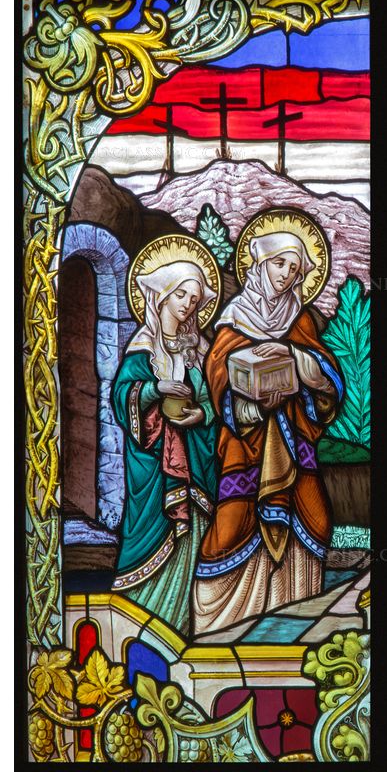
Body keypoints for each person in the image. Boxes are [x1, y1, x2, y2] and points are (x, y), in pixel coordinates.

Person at [193, 229, 344, 635]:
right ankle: (219, 626)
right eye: (279, 264)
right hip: (247, 443)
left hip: (294, 442)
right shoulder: (234, 318)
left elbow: (330, 381)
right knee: (231, 528)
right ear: (259, 266)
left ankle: (295, 617)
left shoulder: (303, 319)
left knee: (313, 518)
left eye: (294, 268)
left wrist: (292, 355)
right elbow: (218, 374)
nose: (286, 274)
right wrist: (251, 400)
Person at [111, 259, 219, 635]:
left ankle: (187, 630)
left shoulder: (200, 349)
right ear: (162, 297)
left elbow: (215, 399)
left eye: (194, 297)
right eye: (181, 294)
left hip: (195, 464)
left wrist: (202, 415)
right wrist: (157, 390)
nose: (188, 303)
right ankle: (140, 629)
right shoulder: (143, 348)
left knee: (194, 543)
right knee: (154, 535)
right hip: (154, 466)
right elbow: (121, 396)